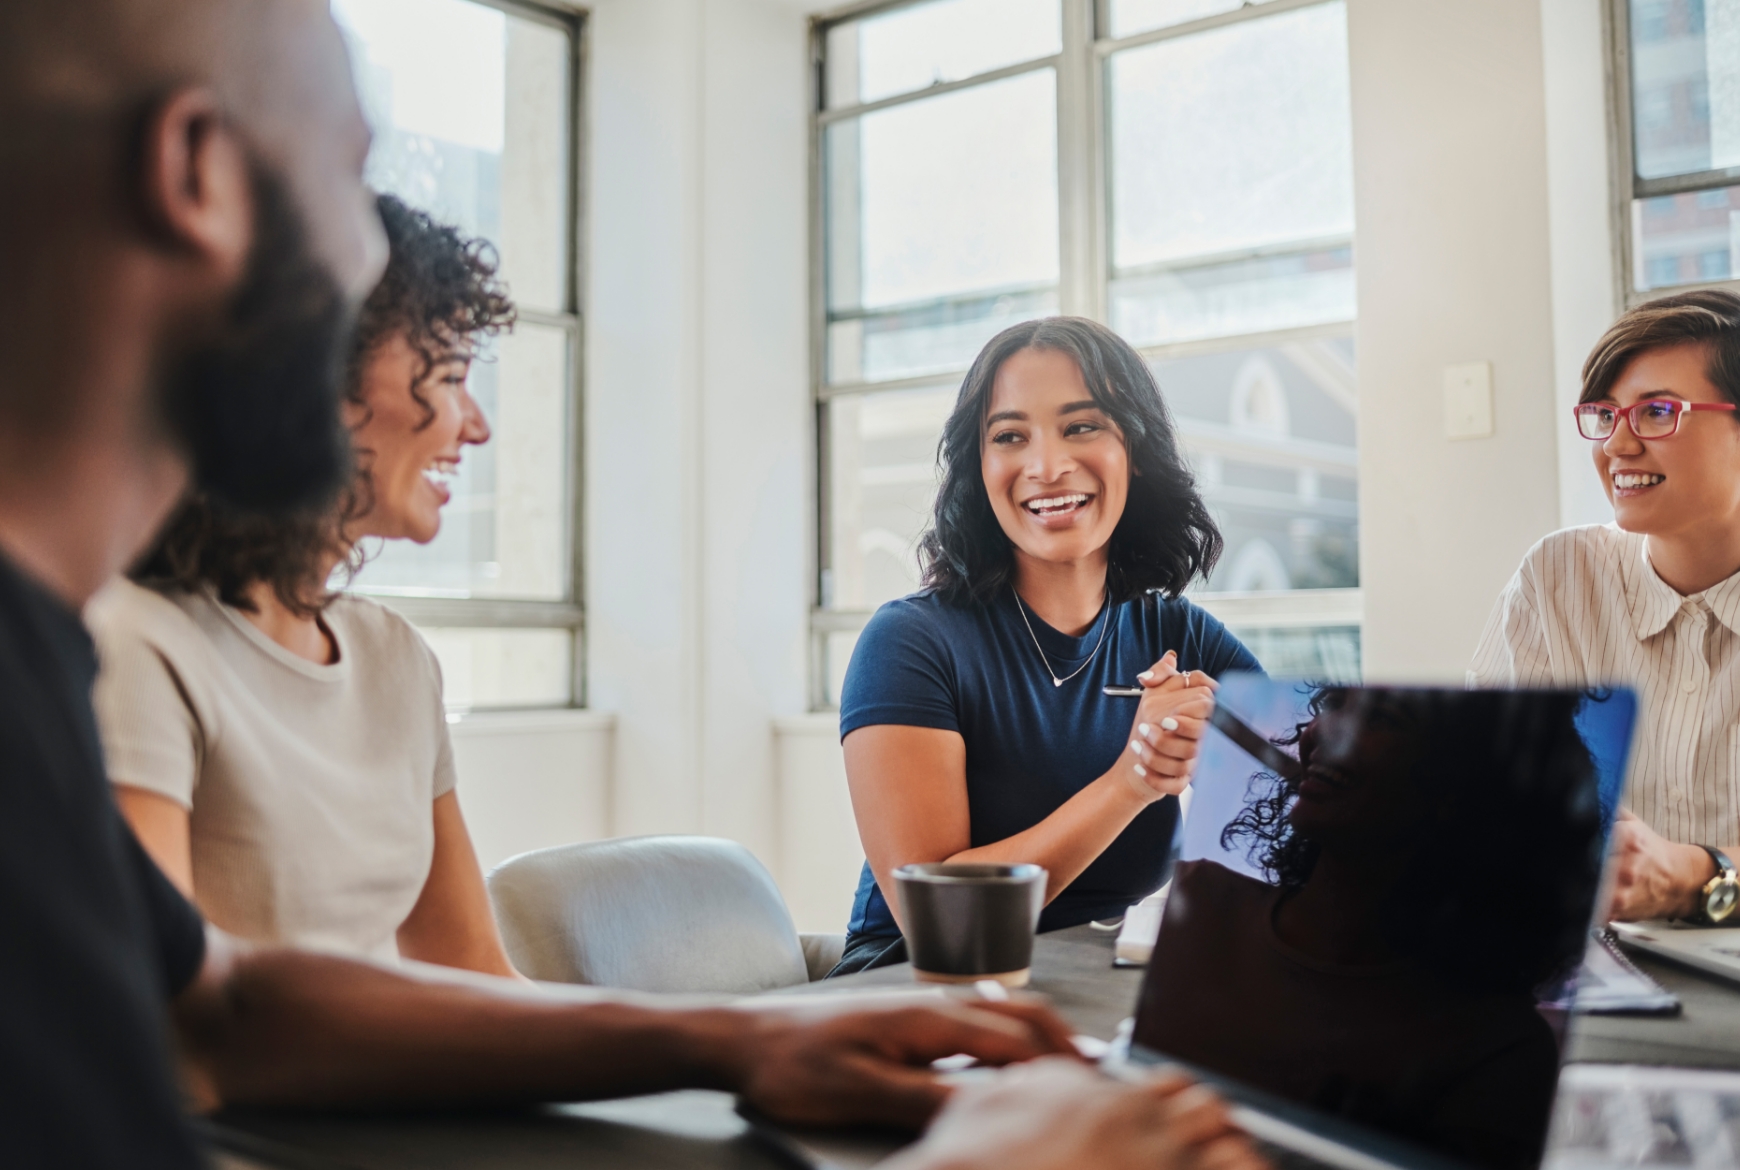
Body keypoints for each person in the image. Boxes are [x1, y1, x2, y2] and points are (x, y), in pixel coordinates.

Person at [0, 3, 1265, 1168]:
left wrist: (740, 1038)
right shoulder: (101, 658)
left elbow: (223, 999)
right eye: (349, 174)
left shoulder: (55, 651)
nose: (372, 259)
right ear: (200, 175)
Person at [88, 194, 517, 976]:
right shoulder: (136, 645)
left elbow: (477, 970)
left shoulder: (397, 659)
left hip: (401, 1099)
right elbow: (182, 1014)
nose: (476, 424)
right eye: (451, 373)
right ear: (328, 376)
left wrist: (696, 1051)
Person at [836, 317, 1260, 974]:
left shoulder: (1181, 635)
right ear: (980, 467)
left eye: (1082, 426)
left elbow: (1314, 808)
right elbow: (940, 917)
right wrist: (1136, 778)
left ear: (1135, 448)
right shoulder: (910, 643)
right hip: (920, 989)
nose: (1047, 466)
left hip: (1100, 984)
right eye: (1010, 436)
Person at [1140, 687, 1602, 1170]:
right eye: (1335, 704)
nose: (1322, 731)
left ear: (1467, 787)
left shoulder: (1498, 1053)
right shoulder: (1196, 898)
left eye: (1383, 718)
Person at [1470, 290, 1740, 921]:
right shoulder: (1558, 578)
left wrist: (1697, 874)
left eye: (1656, 412)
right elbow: (1484, 789)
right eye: (1605, 414)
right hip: (1582, 969)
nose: (1617, 446)